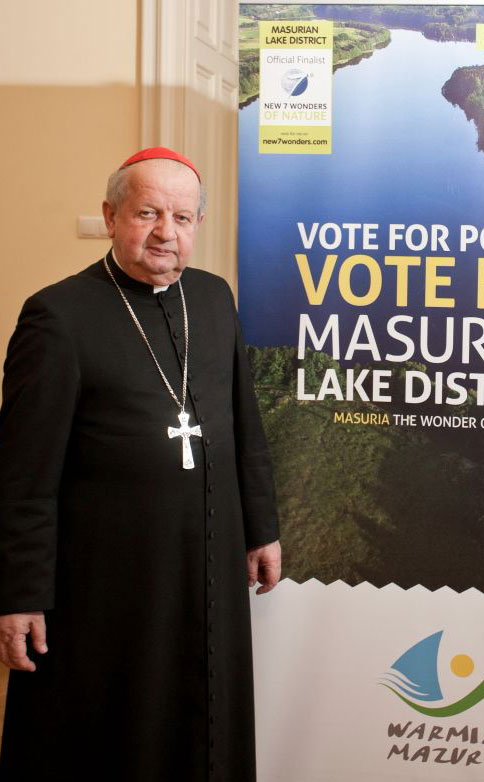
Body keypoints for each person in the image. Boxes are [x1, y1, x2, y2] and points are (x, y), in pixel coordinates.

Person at [0, 147, 281, 781]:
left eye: (182, 218)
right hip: (106, 581)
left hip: (209, 562)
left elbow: (244, 423)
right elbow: (22, 474)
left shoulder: (212, 298)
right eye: (148, 213)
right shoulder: (59, 316)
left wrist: (260, 525)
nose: (166, 233)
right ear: (110, 215)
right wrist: (19, 593)